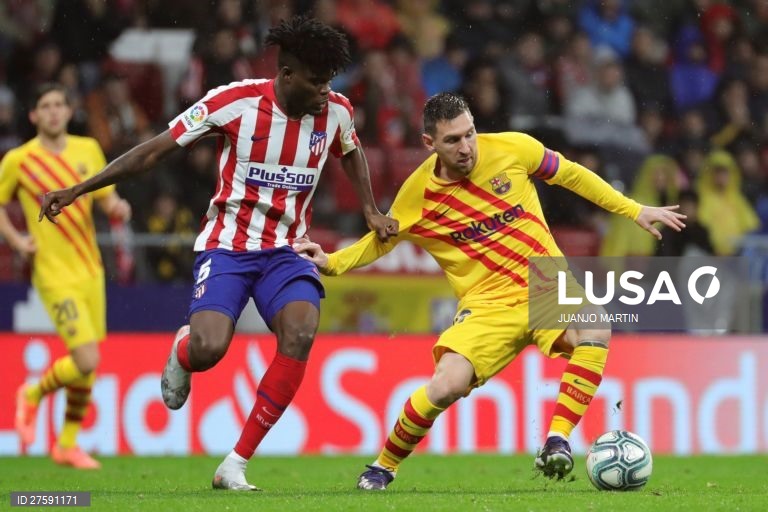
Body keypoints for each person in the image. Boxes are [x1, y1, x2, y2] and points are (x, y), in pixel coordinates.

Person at [38, 16, 397, 490]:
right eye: (316, 82)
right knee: (208, 349)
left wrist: (371, 210)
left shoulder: (336, 111)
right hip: (228, 246)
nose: (324, 92)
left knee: (301, 333)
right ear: (287, 75)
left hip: (288, 249)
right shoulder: (234, 102)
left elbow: (350, 151)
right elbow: (154, 151)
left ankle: (235, 463)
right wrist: (81, 189)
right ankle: (183, 353)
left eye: (329, 82)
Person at [294, 92, 685, 490]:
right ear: (430, 144)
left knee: (596, 327)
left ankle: (558, 440)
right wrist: (333, 262)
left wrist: (632, 209)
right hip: (486, 303)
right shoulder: (418, 195)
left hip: (544, 281)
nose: (466, 148)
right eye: (452, 141)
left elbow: (571, 174)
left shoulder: (513, 148)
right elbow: (382, 238)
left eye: (470, 134)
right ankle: (383, 466)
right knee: (446, 386)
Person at [0, 83, 131, 469]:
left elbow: (107, 198)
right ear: (34, 116)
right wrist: (15, 240)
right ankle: (32, 393)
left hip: (90, 269)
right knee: (86, 358)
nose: (54, 111)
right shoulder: (18, 160)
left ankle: (66, 444)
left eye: (60, 104)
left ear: (68, 110)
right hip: (53, 273)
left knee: (89, 361)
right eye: (46, 106)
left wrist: (118, 207)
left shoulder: (88, 148)